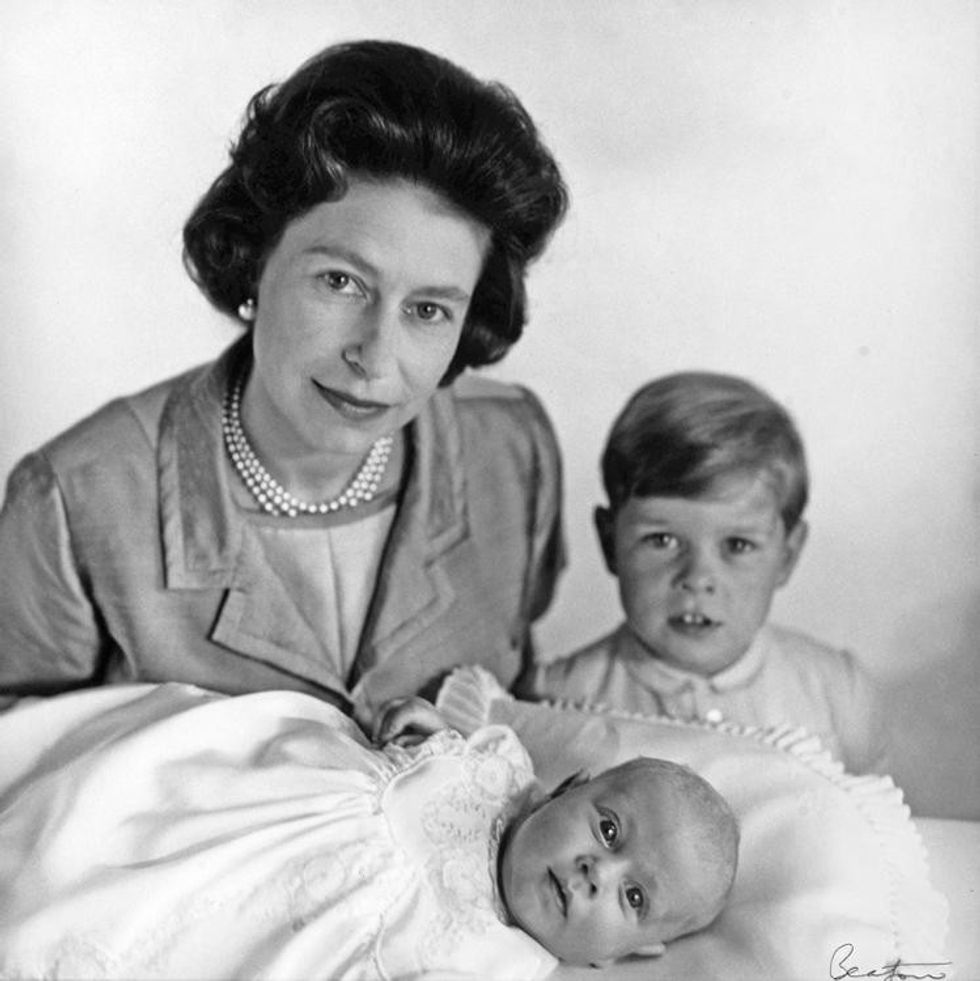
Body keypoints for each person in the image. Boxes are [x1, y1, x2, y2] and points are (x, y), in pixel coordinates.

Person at [0, 40, 569, 724]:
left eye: (427, 310)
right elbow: (19, 779)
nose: (376, 356)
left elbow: (522, 720)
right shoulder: (74, 500)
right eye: (341, 281)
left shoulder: (512, 449)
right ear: (253, 261)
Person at [0, 681, 738, 978]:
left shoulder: (505, 965)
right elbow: (429, 739)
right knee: (111, 861)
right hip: (264, 837)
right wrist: (427, 732)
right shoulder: (499, 767)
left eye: (633, 897)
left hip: (285, 946)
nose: (595, 871)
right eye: (608, 828)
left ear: (627, 954)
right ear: (568, 788)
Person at [529, 371, 888, 774]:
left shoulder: (839, 693)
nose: (697, 578)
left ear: (788, 554)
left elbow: (875, 828)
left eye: (737, 545)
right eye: (662, 540)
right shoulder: (555, 698)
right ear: (609, 540)